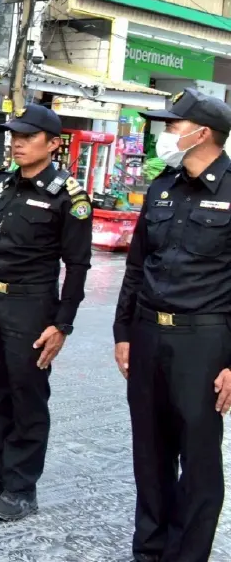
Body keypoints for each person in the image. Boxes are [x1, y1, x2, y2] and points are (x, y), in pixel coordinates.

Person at [0, 104, 92, 521]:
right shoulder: (0, 185)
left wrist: (62, 323)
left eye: (27, 136)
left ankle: (21, 488)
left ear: (53, 144)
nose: (16, 142)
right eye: (13, 135)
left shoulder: (69, 196)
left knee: (27, 398)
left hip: (32, 308)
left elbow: (78, 265)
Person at [114, 88, 231, 562]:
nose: (165, 133)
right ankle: (150, 552)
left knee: (199, 462)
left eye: (173, 125)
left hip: (203, 341)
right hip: (148, 334)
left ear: (202, 133)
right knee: (151, 454)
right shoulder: (163, 185)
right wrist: (124, 332)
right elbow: (137, 264)